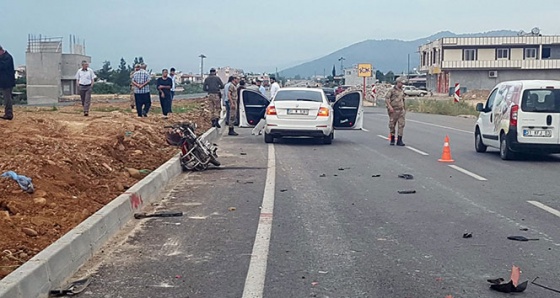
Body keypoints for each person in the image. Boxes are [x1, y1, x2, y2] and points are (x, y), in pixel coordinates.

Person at [385, 77, 407, 146]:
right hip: (394, 110)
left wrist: (404, 108)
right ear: (397, 83)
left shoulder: (402, 91)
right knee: (392, 125)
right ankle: (392, 138)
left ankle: (399, 140)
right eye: (401, 83)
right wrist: (389, 107)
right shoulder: (392, 91)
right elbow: (387, 98)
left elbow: (403, 100)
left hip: (401, 110)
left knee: (401, 125)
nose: (402, 84)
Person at [0, 45, 15, 120]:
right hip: (3, 81)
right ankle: (7, 113)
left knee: (7, 98)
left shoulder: (7, 58)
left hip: (7, 82)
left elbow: (2, 66)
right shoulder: (5, 57)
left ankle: (9, 114)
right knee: (6, 98)